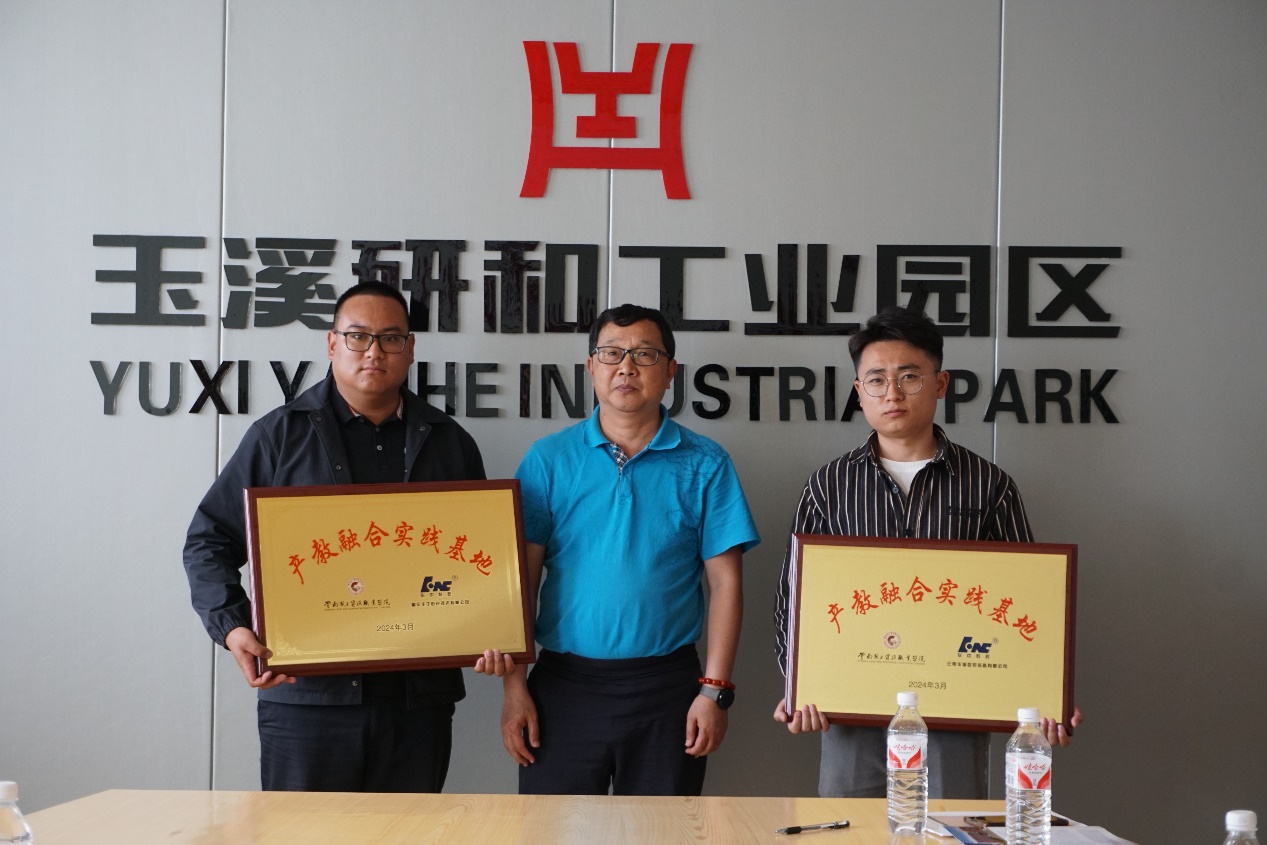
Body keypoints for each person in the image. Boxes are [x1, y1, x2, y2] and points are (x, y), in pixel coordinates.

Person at [183, 281, 485, 792]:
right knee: (302, 831)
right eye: (358, 336)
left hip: (416, 703)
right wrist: (233, 628)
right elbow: (208, 541)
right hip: (307, 698)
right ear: (331, 343)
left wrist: (494, 629)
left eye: (391, 338)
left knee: (411, 832)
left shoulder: (449, 442)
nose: (374, 352)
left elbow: (479, 557)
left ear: (410, 348)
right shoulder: (279, 436)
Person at [771, 305, 1083, 799]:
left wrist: (1046, 694)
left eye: (909, 377)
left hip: (957, 709)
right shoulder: (829, 486)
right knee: (850, 830)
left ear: (940, 384)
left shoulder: (988, 485)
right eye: (876, 380)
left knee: (950, 827)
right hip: (852, 708)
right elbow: (793, 598)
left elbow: (1029, 600)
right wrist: (800, 686)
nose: (892, 393)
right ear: (859, 391)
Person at [475, 303, 759, 796]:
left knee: (662, 830)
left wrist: (714, 691)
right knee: (551, 829)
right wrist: (514, 687)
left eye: (645, 355)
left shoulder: (706, 463)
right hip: (562, 687)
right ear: (591, 367)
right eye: (611, 354)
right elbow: (522, 579)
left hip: (668, 688)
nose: (626, 367)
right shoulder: (548, 459)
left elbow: (725, 582)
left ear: (670, 371)